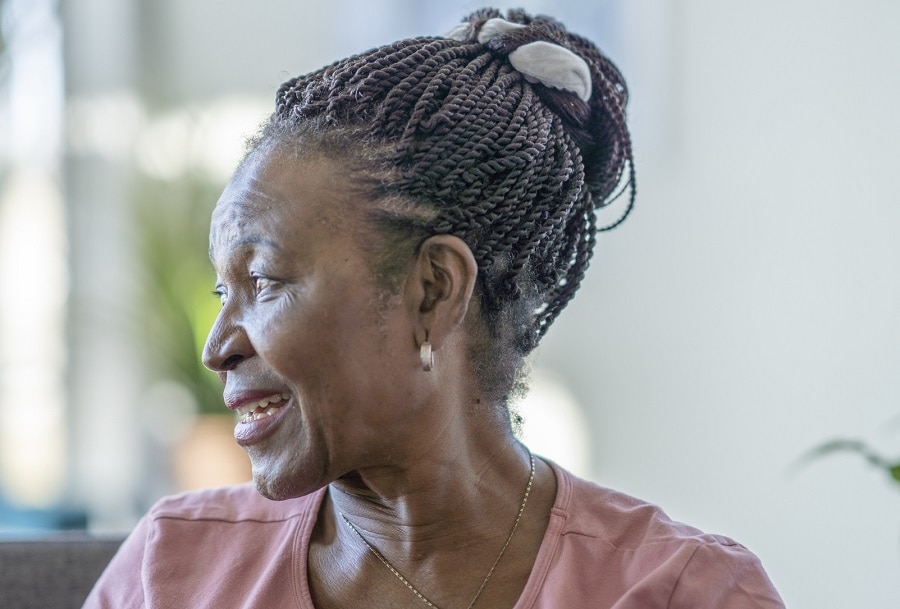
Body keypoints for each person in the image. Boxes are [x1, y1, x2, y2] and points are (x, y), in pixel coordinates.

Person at [84, 8, 784, 609]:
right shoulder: (171, 571)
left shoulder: (679, 592)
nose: (217, 347)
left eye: (263, 282)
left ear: (434, 289)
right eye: (220, 293)